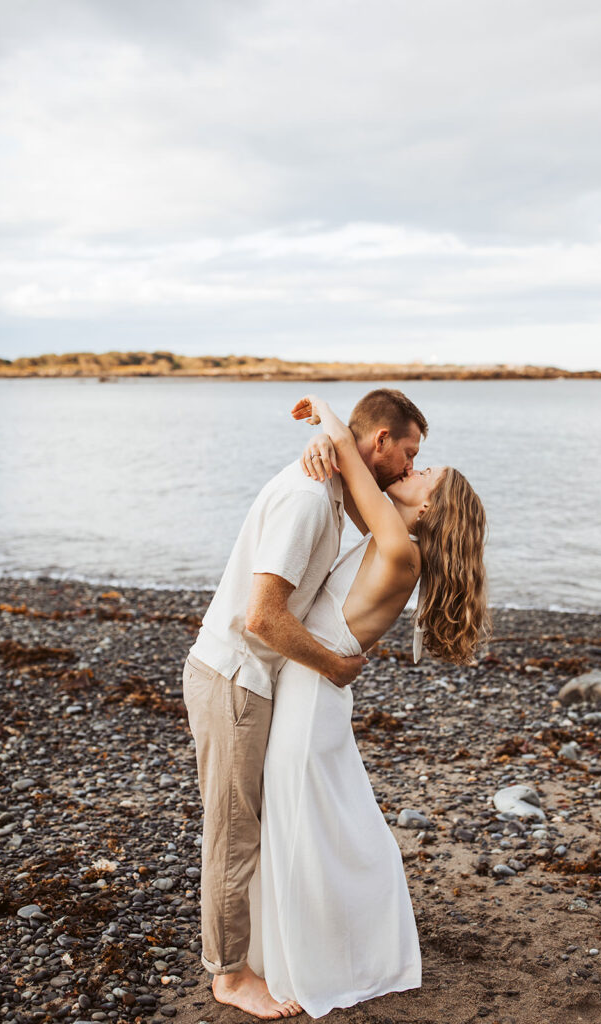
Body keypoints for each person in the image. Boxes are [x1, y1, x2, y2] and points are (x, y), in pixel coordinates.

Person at [182, 389, 428, 1020]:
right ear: (380, 442)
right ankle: (230, 976)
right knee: (234, 834)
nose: (408, 468)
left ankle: (262, 949)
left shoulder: (331, 492)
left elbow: (362, 494)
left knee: (252, 826)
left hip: (255, 681)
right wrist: (337, 666)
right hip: (237, 675)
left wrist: (328, 433)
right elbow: (262, 617)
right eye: (409, 453)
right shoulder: (307, 499)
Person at [247, 394, 490, 1019]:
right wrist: (322, 447)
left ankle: (324, 963)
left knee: (315, 830)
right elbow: (348, 490)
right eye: (414, 459)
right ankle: (313, 951)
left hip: (313, 701)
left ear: (432, 507)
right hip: (315, 693)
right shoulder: (388, 536)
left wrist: (327, 417)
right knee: (323, 826)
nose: (413, 469)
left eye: (425, 472)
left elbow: (360, 477)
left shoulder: (402, 551)